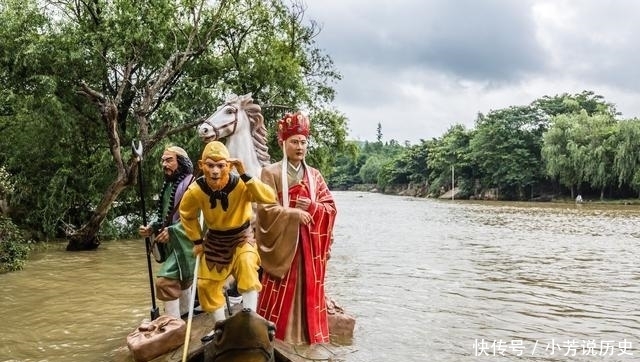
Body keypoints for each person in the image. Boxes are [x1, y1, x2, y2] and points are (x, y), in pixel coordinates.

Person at [178, 140, 276, 341]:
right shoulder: (196, 190)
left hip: (241, 236)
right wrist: (197, 241)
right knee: (206, 285)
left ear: (229, 166)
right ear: (201, 165)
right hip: (214, 239)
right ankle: (220, 326)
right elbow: (186, 214)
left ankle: (250, 322)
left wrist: (246, 174)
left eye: (220, 165)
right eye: (210, 165)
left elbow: (268, 197)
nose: (215, 171)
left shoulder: (241, 184)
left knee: (248, 265)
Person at [256, 111, 337, 345]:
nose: (299, 147)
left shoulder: (314, 175)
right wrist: (293, 214)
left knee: (308, 290)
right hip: (284, 246)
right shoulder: (269, 172)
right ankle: (277, 337)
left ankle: (307, 338)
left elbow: (330, 206)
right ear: (283, 143)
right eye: (294, 142)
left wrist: (312, 206)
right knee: (279, 292)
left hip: (309, 247)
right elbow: (265, 209)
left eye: (303, 142)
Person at [138, 145, 196, 318]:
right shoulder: (168, 187)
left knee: (165, 282)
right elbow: (165, 216)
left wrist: (173, 231)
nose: (164, 164)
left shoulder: (193, 186)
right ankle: (185, 313)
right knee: (183, 281)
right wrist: (152, 227)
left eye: (169, 160)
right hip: (173, 244)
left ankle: (171, 322)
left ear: (181, 162)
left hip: (187, 242)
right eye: (163, 160)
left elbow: (200, 218)